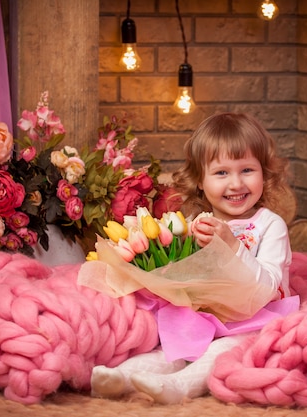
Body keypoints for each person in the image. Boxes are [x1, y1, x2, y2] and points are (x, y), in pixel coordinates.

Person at [90, 112, 293, 404]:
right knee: (171, 348)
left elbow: (268, 289)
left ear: (264, 173)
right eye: (221, 173)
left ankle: (179, 387)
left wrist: (232, 246)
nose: (236, 184)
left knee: (220, 351)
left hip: (256, 318)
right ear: (200, 180)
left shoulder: (269, 225)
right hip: (205, 314)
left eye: (247, 170)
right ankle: (120, 377)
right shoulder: (192, 222)